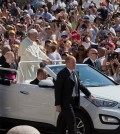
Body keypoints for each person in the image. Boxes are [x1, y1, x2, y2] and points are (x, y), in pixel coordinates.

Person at [55, 55, 94, 134]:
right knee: (72, 122)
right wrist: (58, 104)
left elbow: (79, 85)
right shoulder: (62, 74)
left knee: (64, 122)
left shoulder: (76, 72)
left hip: (74, 101)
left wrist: (89, 94)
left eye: (75, 62)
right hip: (66, 102)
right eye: (73, 62)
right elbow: (58, 90)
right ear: (67, 63)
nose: (75, 64)